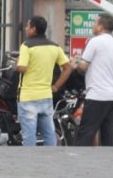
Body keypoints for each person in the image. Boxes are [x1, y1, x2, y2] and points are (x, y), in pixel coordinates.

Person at [17, 15, 73, 147]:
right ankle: (51, 157)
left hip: (28, 97)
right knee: (49, 132)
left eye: (28, 26)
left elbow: (22, 68)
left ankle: (29, 158)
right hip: (46, 96)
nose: (26, 29)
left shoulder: (26, 46)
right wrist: (56, 86)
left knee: (29, 133)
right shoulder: (55, 47)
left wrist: (16, 63)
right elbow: (68, 67)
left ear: (33, 29)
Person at [74, 13, 113, 147]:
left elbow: (83, 66)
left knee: (85, 134)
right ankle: (108, 159)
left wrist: (75, 64)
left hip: (97, 95)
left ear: (101, 26)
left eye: (95, 23)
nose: (92, 25)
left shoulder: (95, 41)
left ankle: (78, 158)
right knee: (108, 135)